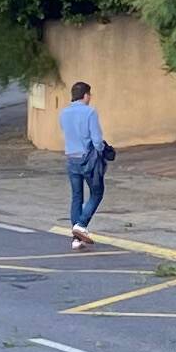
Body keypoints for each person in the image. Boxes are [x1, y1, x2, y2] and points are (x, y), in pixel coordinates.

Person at [59, 80, 111, 251]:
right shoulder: (90, 112)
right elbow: (96, 140)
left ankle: (76, 238)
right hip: (88, 159)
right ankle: (81, 225)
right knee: (97, 192)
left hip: (71, 158)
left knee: (76, 196)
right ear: (86, 95)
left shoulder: (64, 113)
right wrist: (104, 150)